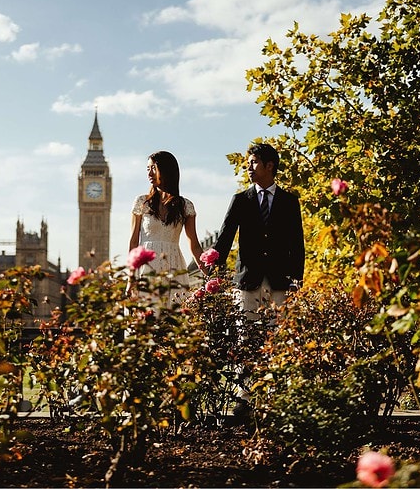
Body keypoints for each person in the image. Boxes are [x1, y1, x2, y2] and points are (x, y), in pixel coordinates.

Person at [211, 142, 305, 416]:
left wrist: (296, 280)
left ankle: (274, 396)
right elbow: (225, 237)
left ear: (269, 166)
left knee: (276, 338)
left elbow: (297, 244)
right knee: (246, 337)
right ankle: (245, 397)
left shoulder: (289, 201)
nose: (248, 167)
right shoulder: (241, 200)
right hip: (247, 281)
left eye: (253, 162)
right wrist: (214, 267)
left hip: (279, 280)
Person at [129, 150, 205, 304]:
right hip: (146, 268)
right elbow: (133, 243)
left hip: (174, 268)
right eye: (148, 169)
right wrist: (131, 278)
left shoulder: (185, 206)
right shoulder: (141, 202)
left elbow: (195, 245)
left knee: (173, 320)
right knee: (147, 319)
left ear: (166, 170)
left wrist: (210, 273)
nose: (149, 174)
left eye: (153, 168)